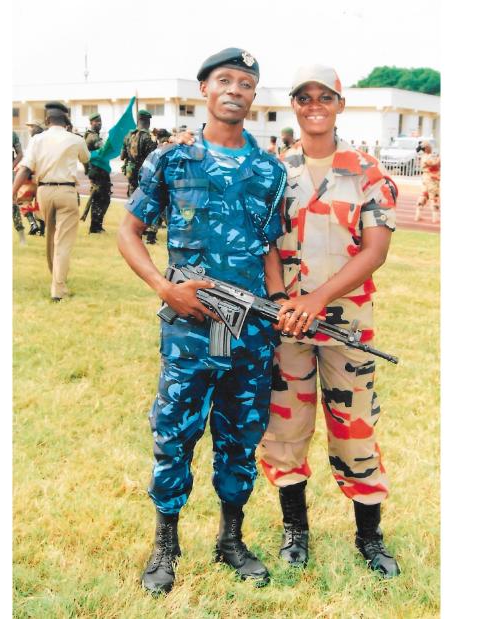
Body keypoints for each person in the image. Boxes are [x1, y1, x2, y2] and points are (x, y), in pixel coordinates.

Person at [117, 47, 287, 595]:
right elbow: (129, 232)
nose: (235, 89)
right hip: (191, 326)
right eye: (224, 80)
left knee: (241, 434)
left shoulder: (270, 170)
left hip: (251, 331)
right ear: (205, 91)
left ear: (253, 96)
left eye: (245, 82)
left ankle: (230, 539)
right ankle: (166, 543)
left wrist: (280, 301)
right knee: (176, 431)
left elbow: (269, 247)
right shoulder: (172, 161)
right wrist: (165, 287)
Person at [256, 64, 402, 579]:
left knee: (354, 428)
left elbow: (375, 250)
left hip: (346, 325)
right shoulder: (276, 171)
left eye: (324, 96)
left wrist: (317, 298)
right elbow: (268, 243)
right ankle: (295, 531)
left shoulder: (366, 172)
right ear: (294, 105)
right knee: (285, 430)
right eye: (304, 97)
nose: (313, 104)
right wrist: (280, 298)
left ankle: (370, 535)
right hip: (288, 324)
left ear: (340, 104)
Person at [12, 102, 89, 302]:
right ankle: (58, 289)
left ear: (47, 120)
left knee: (51, 237)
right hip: (66, 192)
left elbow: (26, 168)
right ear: (67, 121)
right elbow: (86, 158)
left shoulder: (37, 139)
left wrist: (12, 192)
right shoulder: (75, 139)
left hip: (44, 191)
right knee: (62, 242)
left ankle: (55, 278)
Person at [121, 109, 161, 243]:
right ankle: (150, 234)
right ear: (148, 121)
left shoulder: (128, 135)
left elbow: (122, 156)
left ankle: (133, 228)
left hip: (130, 171)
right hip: (145, 173)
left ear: (138, 120)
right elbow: (154, 158)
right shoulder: (148, 137)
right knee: (151, 199)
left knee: (134, 200)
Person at [83, 112, 113, 234]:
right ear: (91, 123)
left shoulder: (89, 136)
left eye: (100, 121)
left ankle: (97, 226)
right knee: (102, 198)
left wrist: (87, 170)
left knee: (100, 198)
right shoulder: (93, 137)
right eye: (96, 121)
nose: (99, 123)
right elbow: (104, 149)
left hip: (96, 171)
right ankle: (95, 227)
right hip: (98, 172)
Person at [19, 118, 49, 237]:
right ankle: (41, 230)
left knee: (22, 200)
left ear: (37, 129)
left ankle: (33, 224)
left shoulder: (34, 141)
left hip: (32, 176)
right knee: (40, 203)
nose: (29, 129)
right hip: (44, 177)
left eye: (31, 127)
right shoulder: (47, 141)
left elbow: (29, 160)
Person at [415, 142, 440, 223]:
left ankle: (418, 215)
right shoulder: (427, 157)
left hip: (426, 178)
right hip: (431, 179)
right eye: (429, 146)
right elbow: (435, 164)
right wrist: (440, 158)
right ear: (426, 148)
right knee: (434, 197)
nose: (431, 147)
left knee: (424, 195)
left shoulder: (426, 156)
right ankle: (435, 218)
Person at [13, 130, 25, 244]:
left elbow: (20, 154)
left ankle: (22, 237)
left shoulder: (12, 135)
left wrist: (11, 166)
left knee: (13, 205)